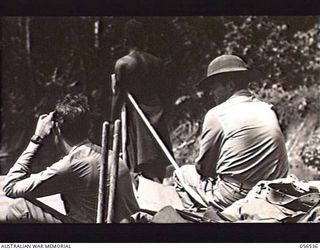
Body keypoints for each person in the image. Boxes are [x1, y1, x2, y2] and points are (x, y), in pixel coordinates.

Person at [174, 54, 289, 212]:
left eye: (214, 87)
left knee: (181, 174)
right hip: (274, 192)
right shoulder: (266, 108)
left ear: (230, 85)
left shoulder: (217, 114)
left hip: (239, 194)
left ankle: (199, 221)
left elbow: (204, 169)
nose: (211, 93)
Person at [3, 94, 139, 223]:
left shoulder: (74, 164)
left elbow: (10, 187)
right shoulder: (111, 156)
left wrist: (37, 139)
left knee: (20, 207)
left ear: (56, 128)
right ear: (89, 127)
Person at [111, 19, 173, 183]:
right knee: (157, 157)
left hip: (138, 114)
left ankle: (150, 197)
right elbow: (164, 91)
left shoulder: (123, 64)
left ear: (126, 40)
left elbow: (118, 95)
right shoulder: (156, 62)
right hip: (156, 111)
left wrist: (113, 119)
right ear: (144, 39)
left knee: (143, 160)